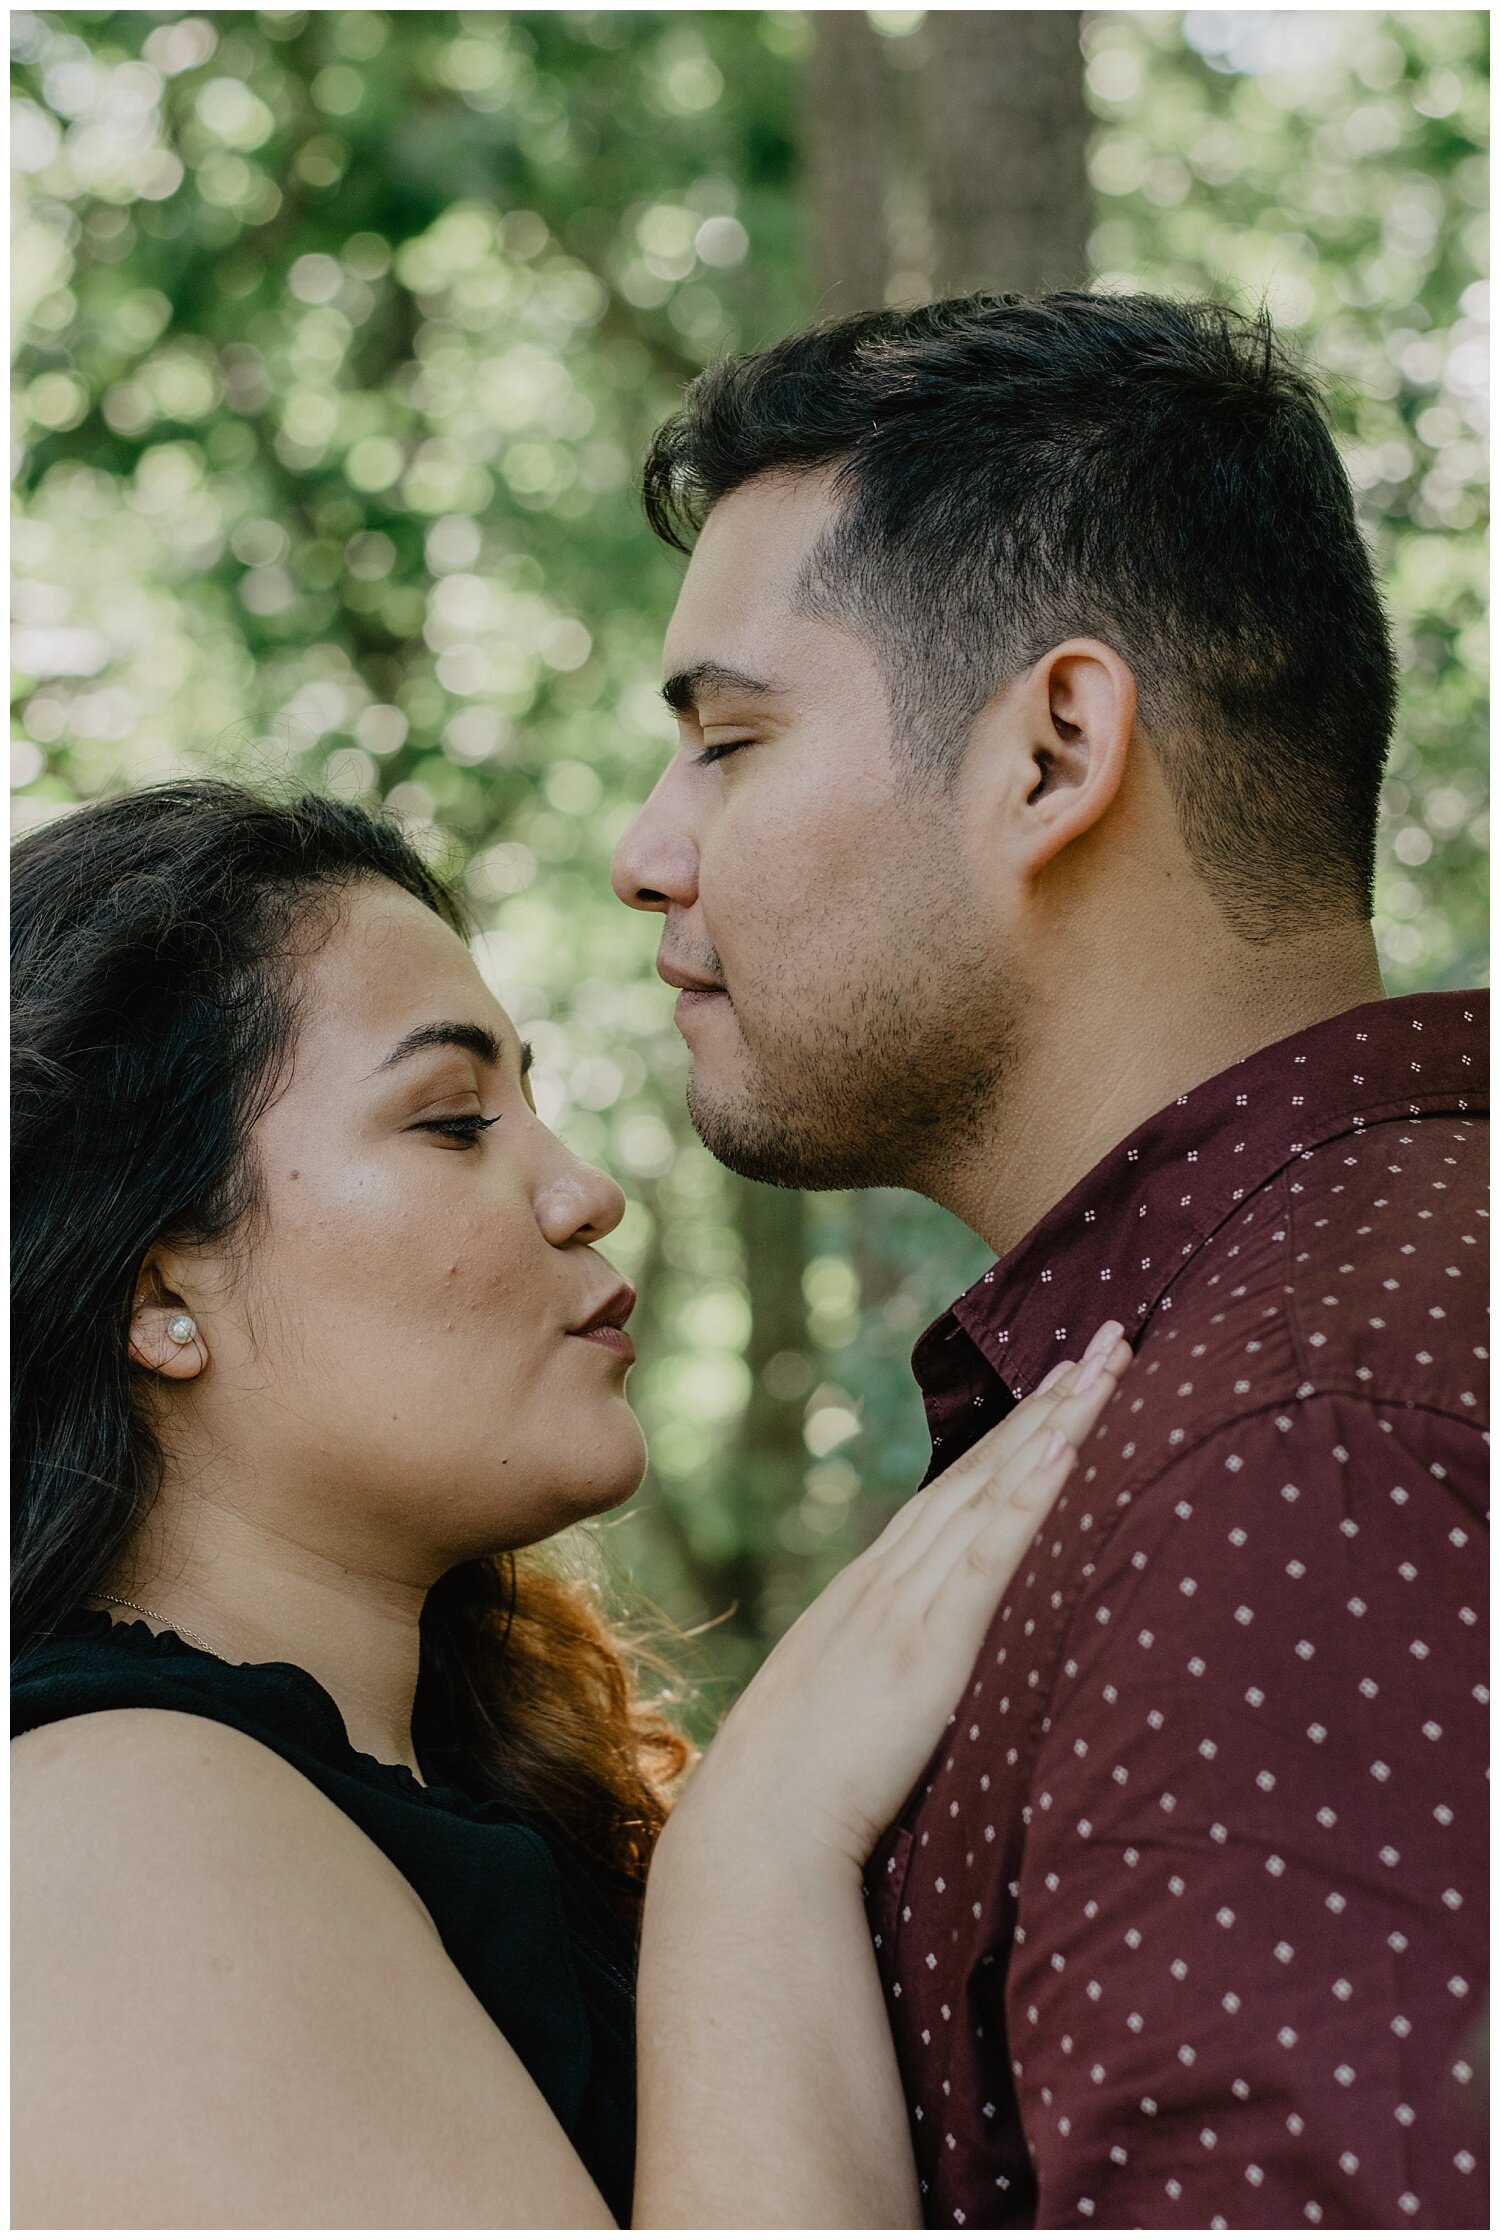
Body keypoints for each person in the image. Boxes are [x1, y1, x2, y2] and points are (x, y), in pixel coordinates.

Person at [613, 290, 1488, 2229]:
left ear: (1054, 750)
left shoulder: (1298, 1461)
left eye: (729, 742)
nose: (647, 850)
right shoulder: (1304, 1346)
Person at [10, 779, 1133, 2229]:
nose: (585, 1192)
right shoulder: (114, 1832)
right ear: (162, 1291)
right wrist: (761, 1848)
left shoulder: (429, 1799)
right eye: (453, 1121)